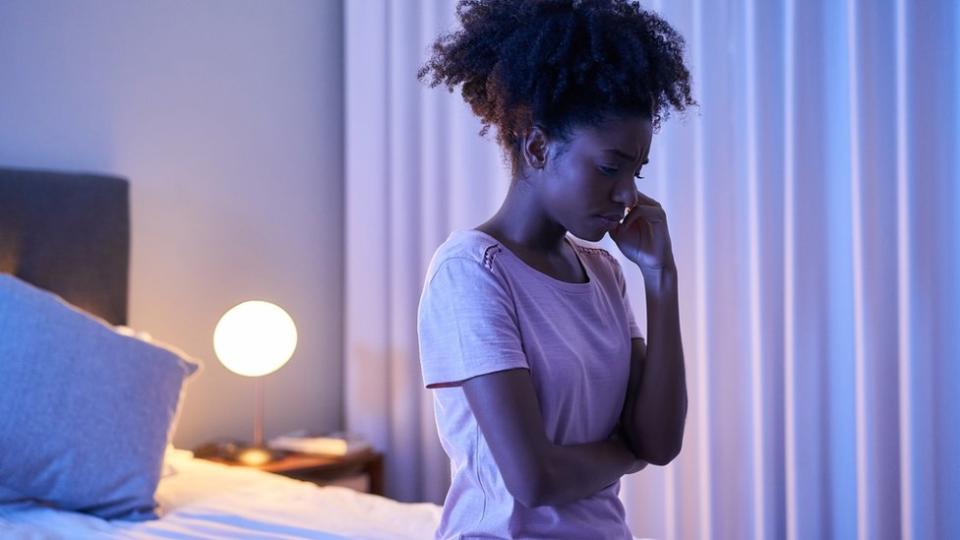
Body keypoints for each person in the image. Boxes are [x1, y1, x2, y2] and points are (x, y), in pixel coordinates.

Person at [416, 1, 693, 538]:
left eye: (636, 171)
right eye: (610, 167)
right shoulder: (471, 272)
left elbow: (658, 442)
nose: (627, 194)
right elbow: (534, 478)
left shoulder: (605, 273)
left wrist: (661, 281)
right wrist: (625, 450)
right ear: (539, 146)